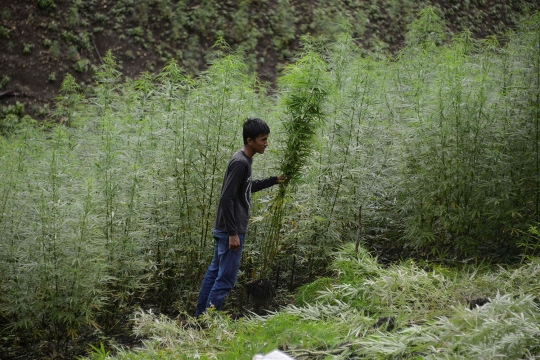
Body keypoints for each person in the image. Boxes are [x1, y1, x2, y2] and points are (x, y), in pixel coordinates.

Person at [195, 118, 285, 317]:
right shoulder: (240, 162)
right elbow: (226, 198)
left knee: (214, 274)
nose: (266, 143)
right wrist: (233, 233)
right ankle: (209, 322)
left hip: (226, 228)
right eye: (263, 139)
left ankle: (201, 317)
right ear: (250, 140)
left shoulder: (243, 159)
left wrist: (274, 181)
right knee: (225, 280)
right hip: (230, 231)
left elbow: (245, 188)